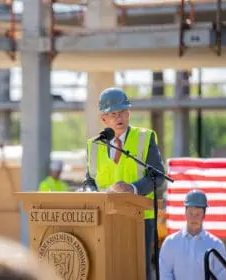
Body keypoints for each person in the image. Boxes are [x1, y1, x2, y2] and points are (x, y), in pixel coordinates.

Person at [84, 87, 165, 279]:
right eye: (113, 114)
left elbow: (158, 176)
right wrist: (92, 194)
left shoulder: (145, 138)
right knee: (108, 268)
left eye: (122, 112)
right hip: (105, 217)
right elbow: (89, 180)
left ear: (129, 113)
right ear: (104, 119)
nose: (118, 117)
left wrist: (133, 188)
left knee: (137, 270)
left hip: (140, 219)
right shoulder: (93, 145)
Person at [159, 189, 226, 280]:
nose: (194, 217)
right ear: (185, 213)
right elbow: (165, 275)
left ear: (204, 215)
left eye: (198, 213)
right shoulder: (170, 243)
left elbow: (221, 276)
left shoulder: (216, 245)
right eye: (191, 213)